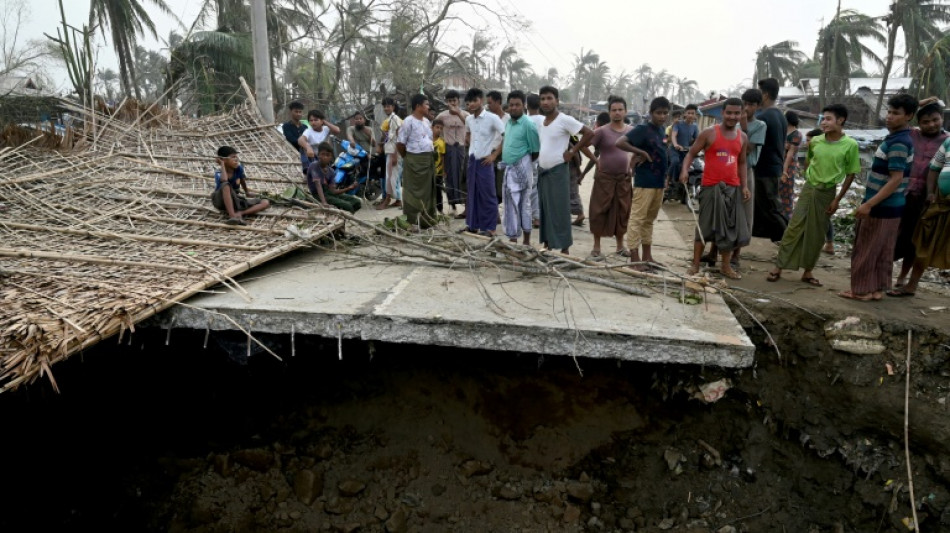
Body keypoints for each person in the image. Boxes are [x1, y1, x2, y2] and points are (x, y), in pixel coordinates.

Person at [766, 104, 859, 286]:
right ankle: (779, 266)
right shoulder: (816, 141)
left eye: (828, 119)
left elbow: (851, 173)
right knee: (794, 227)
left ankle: (808, 272)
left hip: (828, 192)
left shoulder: (850, 145)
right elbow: (809, 162)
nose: (824, 123)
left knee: (816, 233)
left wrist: (837, 200)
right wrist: (810, 181)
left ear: (841, 120)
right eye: (823, 119)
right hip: (809, 189)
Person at [839, 94, 918, 301]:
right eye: (889, 112)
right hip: (892, 207)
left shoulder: (899, 143)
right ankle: (876, 290)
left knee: (866, 248)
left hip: (882, 206)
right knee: (882, 250)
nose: (889, 116)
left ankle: (862, 291)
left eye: (896, 113)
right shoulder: (897, 138)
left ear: (908, 116)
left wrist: (869, 204)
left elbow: (895, 179)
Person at [680, 98, 750, 279]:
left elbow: (742, 163)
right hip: (710, 187)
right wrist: (684, 170)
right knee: (703, 227)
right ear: (722, 113)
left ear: (742, 114)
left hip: (732, 188)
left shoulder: (742, 137)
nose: (732, 117)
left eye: (737, 113)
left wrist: (744, 186)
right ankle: (695, 265)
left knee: (729, 228)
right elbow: (691, 153)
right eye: (729, 113)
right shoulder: (709, 133)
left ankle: (725, 266)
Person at [705, 89, 765, 270]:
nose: (746, 109)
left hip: (744, 172)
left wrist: (744, 127)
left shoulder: (758, 126)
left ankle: (736, 255)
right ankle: (713, 252)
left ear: (757, 107)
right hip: (725, 173)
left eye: (750, 106)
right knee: (721, 212)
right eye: (744, 104)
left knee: (742, 214)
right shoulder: (731, 125)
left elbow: (746, 152)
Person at [892, 98, 948, 291]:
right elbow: (897, 110)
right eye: (926, 121)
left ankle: (904, 278)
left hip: (928, 199)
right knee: (895, 235)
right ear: (918, 123)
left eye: (935, 119)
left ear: (942, 118)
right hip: (902, 193)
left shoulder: (947, 141)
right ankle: (883, 274)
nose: (931, 124)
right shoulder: (911, 134)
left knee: (918, 241)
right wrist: (919, 102)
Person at [615, 96, 671, 269]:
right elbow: (620, 142)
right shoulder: (643, 129)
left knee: (649, 220)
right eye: (658, 113)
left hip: (659, 182)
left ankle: (647, 256)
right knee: (637, 219)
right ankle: (634, 257)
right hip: (644, 181)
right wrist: (640, 152)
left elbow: (663, 153)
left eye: (665, 113)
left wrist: (666, 176)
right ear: (651, 113)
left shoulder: (662, 131)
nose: (662, 116)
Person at [537, 85, 594, 254]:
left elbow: (589, 133)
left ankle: (564, 248)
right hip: (543, 171)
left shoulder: (564, 120)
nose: (546, 102)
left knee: (561, 209)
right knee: (546, 208)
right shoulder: (542, 122)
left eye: (549, 98)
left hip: (558, 171)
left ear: (557, 101)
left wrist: (572, 152)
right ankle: (547, 244)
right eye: (542, 99)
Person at [587, 96, 633, 259]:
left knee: (622, 211)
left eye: (620, 110)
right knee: (599, 211)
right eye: (614, 110)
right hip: (604, 178)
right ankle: (596, 247)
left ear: (625, 111)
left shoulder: (631, 131)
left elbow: (639, 150)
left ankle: (620, 246)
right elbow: (584, 145)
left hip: (623, 179)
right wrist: (595, 161)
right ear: (609, 112)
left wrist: (632, 166)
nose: (617, 113)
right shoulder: (601, 131)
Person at [500, 90, 540, 244]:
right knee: (510, 206)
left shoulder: (528, 124)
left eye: (517, 105)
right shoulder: (509, 123)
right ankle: (513, 239)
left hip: (522, 170)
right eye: (511, 105)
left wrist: (522, 165)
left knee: (524, 205)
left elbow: (535, 151)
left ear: (524, 106)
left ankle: (527, 241)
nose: (514, 108)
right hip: (509, 170)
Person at [463, 88, 505, 236]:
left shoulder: (492, 118)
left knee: (488, 194)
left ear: (481, 100)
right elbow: (468, 134)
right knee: (472, 193)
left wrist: (494, 155)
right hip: (472, 161)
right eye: (469, 103)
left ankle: (490, 228)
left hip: (485, 162)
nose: (472, 105)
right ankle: (473, 225)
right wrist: (469, 142)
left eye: (474, 101)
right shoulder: (469, 119)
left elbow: (506, 136)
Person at [752, 78, 789, 242]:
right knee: (768, 206)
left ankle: (789, 240)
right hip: (774, 167)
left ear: (765, 95)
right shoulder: (779, 115)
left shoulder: (764, 117)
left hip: (765, 169)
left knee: (772, 208)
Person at [396, 94, 437, 230]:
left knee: (428, 192)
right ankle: (412, 221)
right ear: (418, 106)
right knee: (413, 192)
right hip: (414, 161)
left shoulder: (426, 122)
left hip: (427, 160)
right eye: (426, 104)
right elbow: (400, 144)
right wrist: (408, 158)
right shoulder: (408, 121)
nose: (428, 107)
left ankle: (427, 221)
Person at [211, 146, 270, 225]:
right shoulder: (219, 173)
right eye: (233, 157)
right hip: (220, 201)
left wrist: (247, 192)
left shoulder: (238, 169)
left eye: (236, 157)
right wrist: (222, 164)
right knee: (226, 185)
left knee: (265, 202)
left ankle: (240, 213)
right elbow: (224, 180)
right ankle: (232, 216)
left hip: (235, 199)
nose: (236, 160)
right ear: (224, 160)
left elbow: (242, 180)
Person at [435, 90, 469, 218]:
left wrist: (458, 113)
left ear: (458, 101)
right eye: (449, 101)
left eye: (454, 100)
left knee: (462, 176)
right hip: (448, 149)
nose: (452, 103)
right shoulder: (442, 116)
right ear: (446, 102)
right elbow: (435, 127)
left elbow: (470, 125)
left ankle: (465, 206)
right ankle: (452, 205)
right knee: (449, 177)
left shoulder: (465, 114)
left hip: (461, 149)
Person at [306, 142, 362, 213]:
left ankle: (347, 217)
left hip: (329, 194)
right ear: (318, 155)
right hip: (317, 195)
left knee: (356, 202)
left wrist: (349, 188)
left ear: (331, 157)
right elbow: (318, 185)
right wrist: (324, 202)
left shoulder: (331, 171)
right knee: (347, 206)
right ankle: (347, 218)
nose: (325, 157)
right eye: (323, 154)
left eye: (328, 155)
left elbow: (333, 191)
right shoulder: (314, 166)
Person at [376, 97, 403, 210]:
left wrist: (396, 154)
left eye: (388, 106)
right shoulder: (389, 120)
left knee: (392, 177)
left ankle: (388, 199)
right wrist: (381, 145)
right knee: (392, 177)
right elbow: (387, 136)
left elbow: (399, 137)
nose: (386, 108)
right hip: (390, 150)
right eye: (385, 106)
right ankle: (398, 200)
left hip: (394, 151)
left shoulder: (395, 119)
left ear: (393, 107)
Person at [298, 109, 341, 175]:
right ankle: (308, 171)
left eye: (316, 120)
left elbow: (337, 131)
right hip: (312, 157)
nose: (313, 122)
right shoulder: (308, 131)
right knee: (302, 148)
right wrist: (308, 147)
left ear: (321, 121)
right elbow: (300, 140)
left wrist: (325, 122)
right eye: (311, 120)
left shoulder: (326, 129)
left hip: (324, 156)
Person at [487, 90, 510, 207]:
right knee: (490, 185)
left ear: (498, 102)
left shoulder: (508, 119)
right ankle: (494, 215)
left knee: (501, 184)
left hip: (502, 155)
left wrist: (495, 154)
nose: (488, 106)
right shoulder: (487, 118)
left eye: (490, 103)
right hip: (488, 154)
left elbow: (506, 139)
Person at [526, 93, 545, 228]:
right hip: (543, 157)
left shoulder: (525, 120)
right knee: (538, 188)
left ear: (526, 105)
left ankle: (535, 216)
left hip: (528, 156)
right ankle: (537, 216)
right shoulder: (545, 120)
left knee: (529, 188)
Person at [670, 104, 699, 188]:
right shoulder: (678, 123)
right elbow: (673, 135)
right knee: (675, 162)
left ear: (695, 115)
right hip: (675, 149)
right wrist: (675, 145)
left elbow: (698, 139)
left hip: (686, 151)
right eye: (689, 113)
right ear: (684, 114)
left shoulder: (695, 126)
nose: (690, 115)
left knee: (688, 166)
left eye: (692, 113)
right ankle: (671, 181)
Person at [780, 110, 802, 219]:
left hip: (789, 166)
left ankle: (787, 216)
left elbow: (790, 153)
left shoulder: (796, 134)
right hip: (779, 162)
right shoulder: (782, 131)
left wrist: (784, 170)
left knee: (787, 190)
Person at [432, 118, 447, 214]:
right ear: (432, 127)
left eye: (441, 128)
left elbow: (442, 157)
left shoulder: (441, 142)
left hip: (438, 171)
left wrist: (443, 171)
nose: (439, 130)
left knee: (438, 191)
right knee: (429, 191)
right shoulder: (426, 139)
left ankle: (440, 210)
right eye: (437, 127)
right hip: (427, 171)